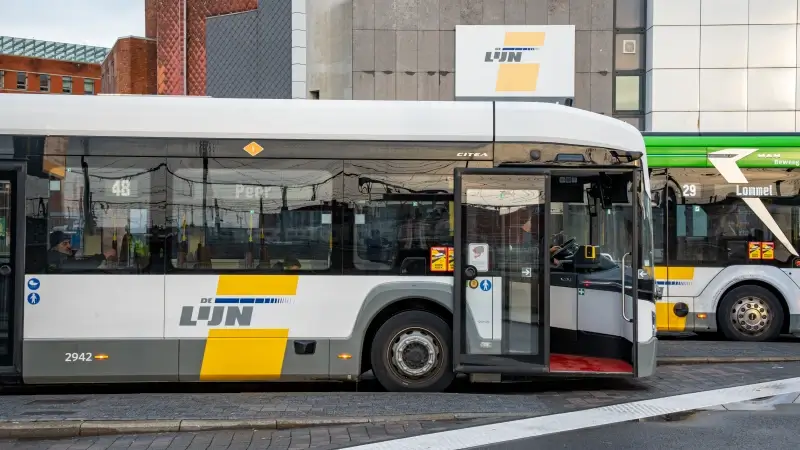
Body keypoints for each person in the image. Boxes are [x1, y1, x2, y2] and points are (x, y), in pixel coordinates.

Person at [48, 230, 116, 271]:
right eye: (64, 243)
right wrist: (104, 255)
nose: (69, 246)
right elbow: (88, 264)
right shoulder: (57, 260)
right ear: (54, 247)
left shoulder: (57, 256)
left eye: (69, 242)